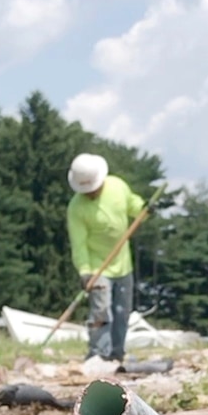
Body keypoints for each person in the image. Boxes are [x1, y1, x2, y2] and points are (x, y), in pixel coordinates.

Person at [66, 152, 145, 362]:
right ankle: (98, 355)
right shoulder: (76, 208)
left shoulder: (117, 186)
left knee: (122, 311)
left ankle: (116, 353)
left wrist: (142, 210)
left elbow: (133, 204)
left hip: (123, 262)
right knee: (101, 310)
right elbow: (79, 244)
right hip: (96, 266)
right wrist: (84, 271)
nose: (90, 193)